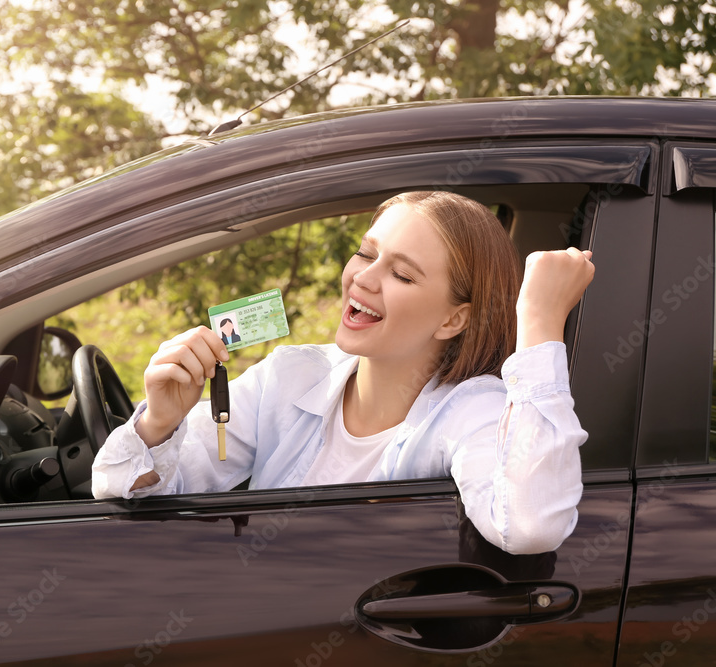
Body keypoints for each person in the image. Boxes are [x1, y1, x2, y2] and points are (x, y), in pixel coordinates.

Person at [91, 191, 594, 555]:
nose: (363, 278)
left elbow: (530, 527)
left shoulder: (474, 409)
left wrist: (540, 324)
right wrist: (159, 423)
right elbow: (123, 491)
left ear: (453, 318)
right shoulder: (289, 376)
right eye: (365, 253)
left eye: (401, 274)